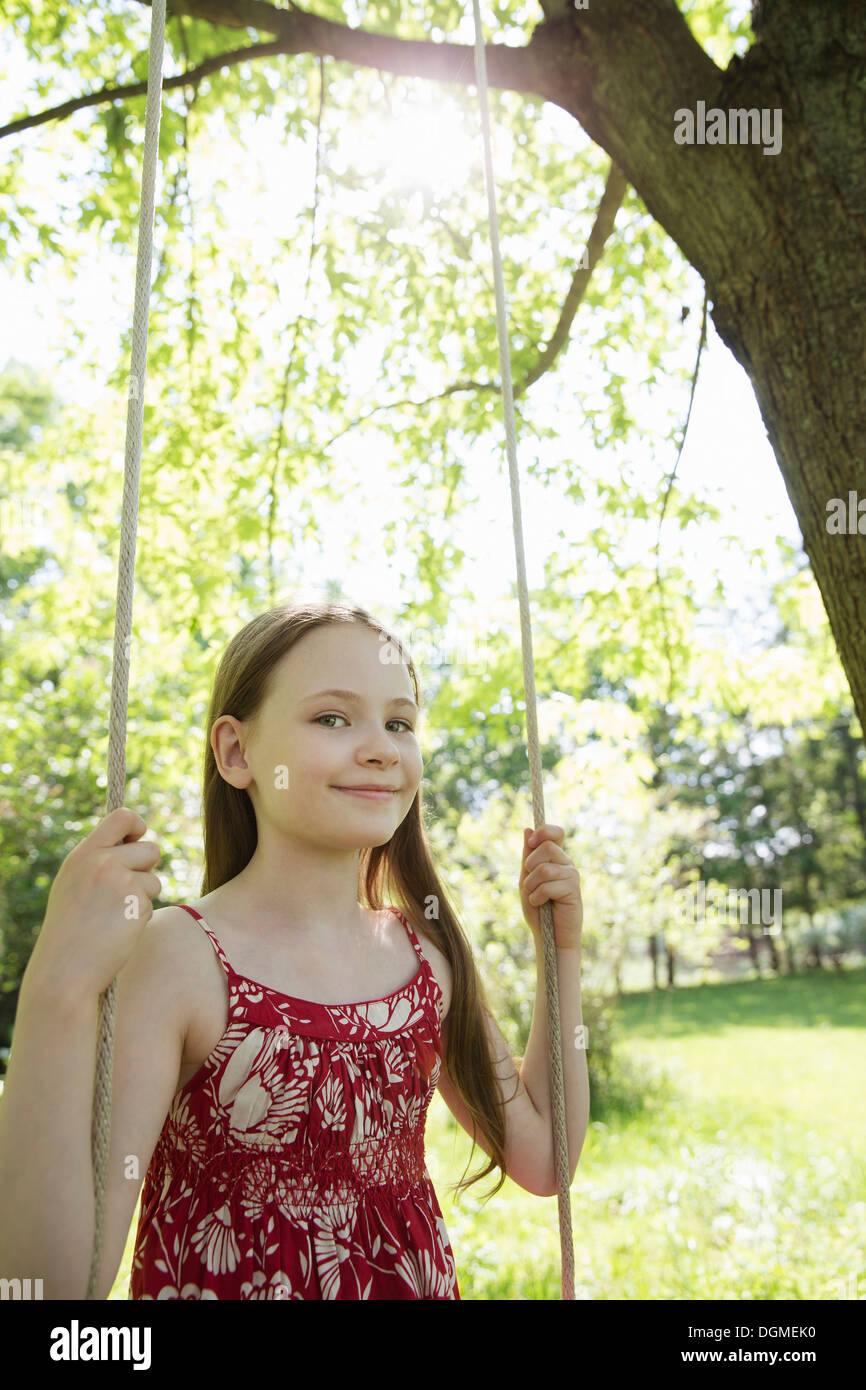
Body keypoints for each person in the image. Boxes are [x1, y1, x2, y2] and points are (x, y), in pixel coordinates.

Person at [0, 599, 586, 1300]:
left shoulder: (425, 960)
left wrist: (562, 960)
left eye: (399, 723)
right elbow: (54, 1285)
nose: (379, 747)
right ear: (237, 753)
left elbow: (546, 1158)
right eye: (332, 718)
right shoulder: (180, 959)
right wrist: (56, 991)